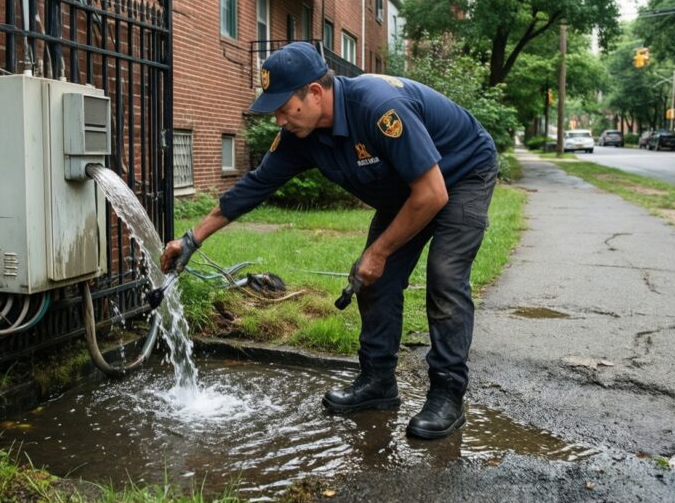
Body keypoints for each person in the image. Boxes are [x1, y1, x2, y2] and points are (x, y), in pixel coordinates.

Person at [160, 42, 497, 440]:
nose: (279, 120)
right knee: (373, 278)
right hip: (408, 188)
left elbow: (433, 194)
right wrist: (191, 240)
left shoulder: (378, 108)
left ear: (315, 93)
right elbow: (253, 188)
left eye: (284, 107)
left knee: (445, 274)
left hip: (460, 174)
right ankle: (378, 382)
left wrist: (380, 249)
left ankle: (447, 394)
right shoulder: (300, 135)